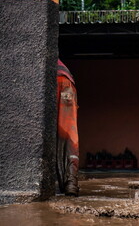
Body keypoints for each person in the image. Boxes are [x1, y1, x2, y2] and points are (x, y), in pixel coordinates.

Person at [56, 59, 80, 196]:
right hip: (68, 84)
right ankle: (71, 183)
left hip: (51, 81)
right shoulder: (60, 63)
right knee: (70, 132)